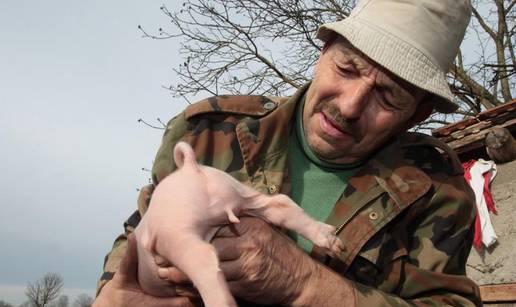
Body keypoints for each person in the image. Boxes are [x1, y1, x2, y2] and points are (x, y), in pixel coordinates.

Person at [94, 0, 482, 306]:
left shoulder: (437, 190)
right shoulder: (207, 132)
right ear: (324, 49)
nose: (349, 107)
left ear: (419, 112)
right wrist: (114, 293)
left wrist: (306, 285)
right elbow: (137, 233)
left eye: (387, 96)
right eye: (346, 68)